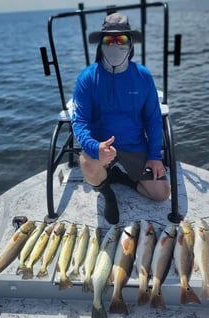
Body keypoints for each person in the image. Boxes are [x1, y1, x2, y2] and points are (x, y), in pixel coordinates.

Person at [71, 12, 170, 224]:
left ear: (130, 43)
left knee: (162, 193)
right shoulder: (87, 77)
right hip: (102, 147)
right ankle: (107, 193)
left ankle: (121, 177)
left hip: (135, 146)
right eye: (109, 39)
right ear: (101, 44)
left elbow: (153, 119)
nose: (115, 44)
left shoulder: (143, 76)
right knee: (86, 162)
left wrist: (154, 155)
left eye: (122, 39)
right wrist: (94, 147)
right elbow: (79, 121)